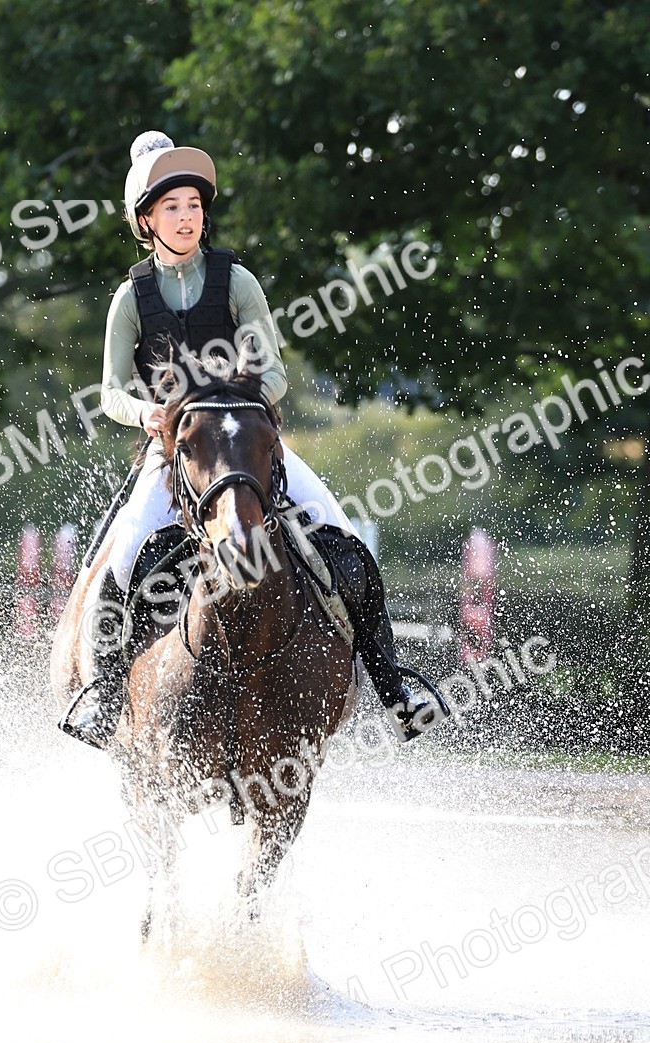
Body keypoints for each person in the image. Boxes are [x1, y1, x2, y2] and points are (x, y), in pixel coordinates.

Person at [61, 131, 442, 749]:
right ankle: (104, 697)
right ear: (146, 220)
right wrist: (148, 413)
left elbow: (276, 374)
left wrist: (245, 400)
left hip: (245, 442)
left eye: (193, 205)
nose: (186, 217)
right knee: (123, 558)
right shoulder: (131, 297)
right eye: (171, 207)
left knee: (345, 542)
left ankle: (396, 687)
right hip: (176, 452)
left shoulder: (236, 280)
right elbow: (109, 392)